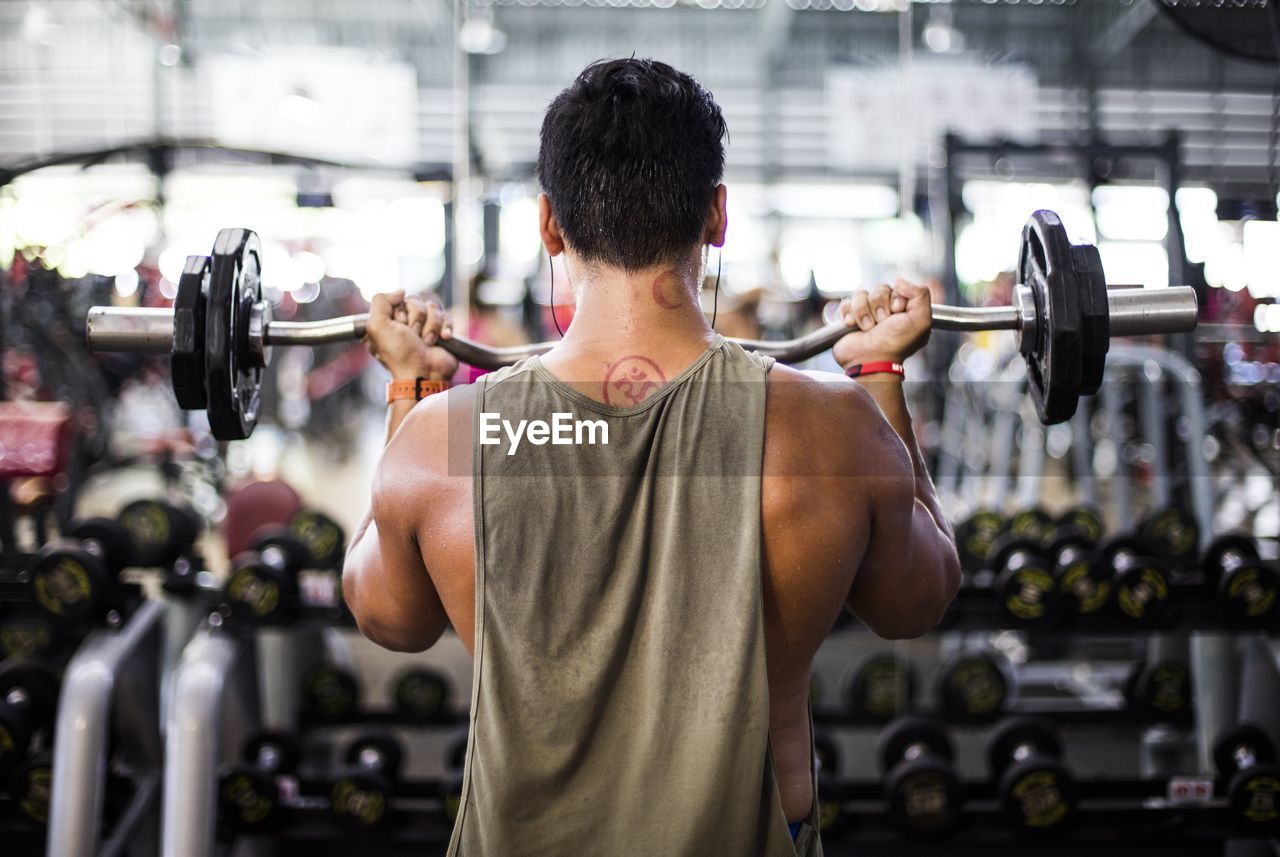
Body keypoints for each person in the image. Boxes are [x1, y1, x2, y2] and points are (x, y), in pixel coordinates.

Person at [343, 58, 960, 856]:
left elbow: (389, 618)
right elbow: (918, 601)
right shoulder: (831, 429)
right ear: (716, 216)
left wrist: (410, 393)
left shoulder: (445, 441)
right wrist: (879, 376)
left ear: (550, 226)